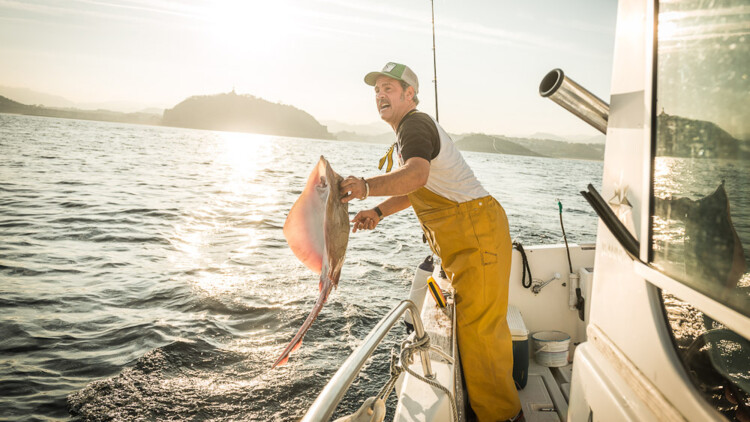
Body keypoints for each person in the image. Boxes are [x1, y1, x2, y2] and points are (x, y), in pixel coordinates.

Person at [339, 62, 522, 422]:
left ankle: (504, 417)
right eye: (376, 90)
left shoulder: (415, 125)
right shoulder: (410, 131)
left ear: (410, 95)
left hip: (478, 236)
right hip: (466, 241)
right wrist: (377, 210)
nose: (379, 95)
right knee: (474, 331)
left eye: (389, 88)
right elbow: (417, 188)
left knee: (482, 334)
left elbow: (416, 175)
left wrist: (365, 186)